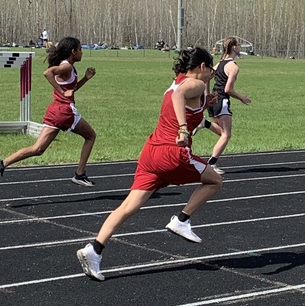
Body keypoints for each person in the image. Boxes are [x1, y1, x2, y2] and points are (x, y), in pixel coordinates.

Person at [77, 46, 224, 281]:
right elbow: (180, 98)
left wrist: (203, 106)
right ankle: (181, 220)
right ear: (202, 67)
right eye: (211, 71)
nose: (211, 77)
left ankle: (94, 249)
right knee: (215, 180)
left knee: (128, 207)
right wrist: (184, 128)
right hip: (172, 153)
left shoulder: (177, 83)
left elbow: (179, 99)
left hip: (150, 153)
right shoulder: (194, 84)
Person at [0, 36, 97, 186]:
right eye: (80, 50)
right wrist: (61, 91)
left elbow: (71, 89)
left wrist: (85, 78)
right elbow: (47, 73)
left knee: (38, 149)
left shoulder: (68, 67)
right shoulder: (67, 67)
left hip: (55, 111)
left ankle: (2, 163)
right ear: (73, 51)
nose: (82, 53)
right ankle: (80, 174)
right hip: (65, 112)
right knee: (90, 136)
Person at [206, 36, 251, 175]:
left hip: (213, 100)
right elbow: (228, 89)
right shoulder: (233, 66)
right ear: (234, 48)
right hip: (222, 100)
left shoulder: (219, 64)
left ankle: (204, 124)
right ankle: (211, 164)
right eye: (238, 45)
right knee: (226, 135)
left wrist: (208, 95)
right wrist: (241, 98)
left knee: (221, 132)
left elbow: (206, 77)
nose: (239, 48)